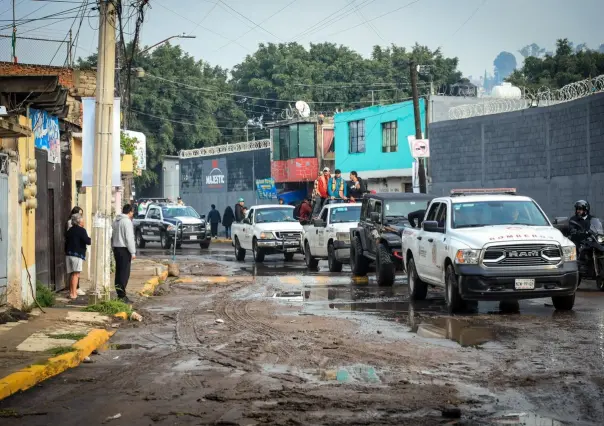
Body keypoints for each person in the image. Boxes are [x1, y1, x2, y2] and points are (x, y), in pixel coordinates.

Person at [111, 204, 136, 303]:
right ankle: (122, 295)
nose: (132, 214)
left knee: (118, 272)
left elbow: (112, 236)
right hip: (124, 249)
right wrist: (133, 252)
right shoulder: (127, 222)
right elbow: (129, 238)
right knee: (124, 273)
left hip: (116, 248)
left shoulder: (116, 221)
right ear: (130, 212)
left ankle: (119, 293)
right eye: (132, 212)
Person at [65, 213, 91, 300]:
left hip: (68, 255)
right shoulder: (82, 230)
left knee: (72, 274)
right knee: (76, 274)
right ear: (79, 221)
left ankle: (71, 292)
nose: (84, 222)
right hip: (77, 255)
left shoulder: (70, 230)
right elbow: (87, 241)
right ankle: (73, 294)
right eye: (82, 220)